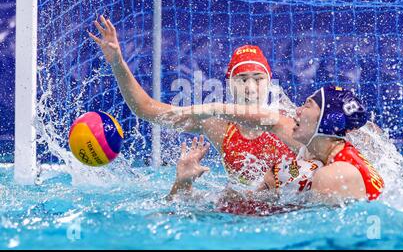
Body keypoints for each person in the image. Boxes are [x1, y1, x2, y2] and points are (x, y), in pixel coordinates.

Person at [88, 16, 302, 191]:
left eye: (258, 78)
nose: (250, 88)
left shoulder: (291, 124)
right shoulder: (218, 127)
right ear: (229, 84)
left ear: (270, 81)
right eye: (242, 79)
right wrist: (117, 62)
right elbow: (145, 109)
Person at [168, 86, 385, 202]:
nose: (296, 111)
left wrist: (273, 192)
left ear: (328, 121)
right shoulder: (322, 152)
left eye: (307, 105)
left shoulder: (333, 175)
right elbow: (262, 119)